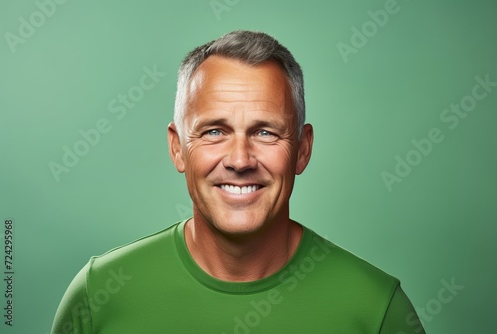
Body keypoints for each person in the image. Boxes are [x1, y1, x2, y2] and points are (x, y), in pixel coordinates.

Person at [51, 30, 425, 334]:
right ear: (178, 148)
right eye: (214, 131)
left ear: (302, 150)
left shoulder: (377, 310)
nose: (240, 160)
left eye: (265, 132)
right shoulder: (99, 294)